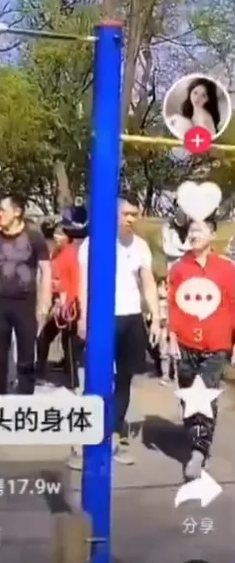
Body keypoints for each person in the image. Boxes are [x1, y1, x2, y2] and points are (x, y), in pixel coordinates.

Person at [71, 190, 161, 469]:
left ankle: (117, 435)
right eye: (126, 214)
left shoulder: (140, 246)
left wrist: (156, 317)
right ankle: (84, 441)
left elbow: (148, 282)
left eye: (135, 214)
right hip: (102, 319)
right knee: (95, 379)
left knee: (124, 380)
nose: (131, 219)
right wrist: (84, 318)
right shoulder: (93, 244)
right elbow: (84, 284)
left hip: (131, 318)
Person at [168, 217, 235, 481]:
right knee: (188, 396)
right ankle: (195, 436)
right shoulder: (179, 268)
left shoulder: (226, 269)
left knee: (205, 394)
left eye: (200, 230)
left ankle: (198, 452)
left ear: (213, 234)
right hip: (186, 342)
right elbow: (172, 305)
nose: (194, 234)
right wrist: (170, 336)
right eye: (192, 230)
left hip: (217, 343)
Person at [0, 194, 52, 395]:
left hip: (26, 303)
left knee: (26, 358)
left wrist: (44, 303)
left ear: (17, 212)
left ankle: (25, 400)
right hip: (0, 303)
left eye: (3, 210)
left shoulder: (34, 237)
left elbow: (45, 270)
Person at [36, 221, 81, 389]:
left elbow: (75, 282)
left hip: (69, 304)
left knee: (68, 343)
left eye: (61, 234)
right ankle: (40, 372)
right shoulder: (55, 253)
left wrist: (68, 303)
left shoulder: (72, 254)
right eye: (56, 233)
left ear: (68, 237)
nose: (57, 237)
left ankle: (73, 382)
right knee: (44, 337)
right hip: (56, 303)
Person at [156, 275, 179, 386]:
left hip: (173, 329)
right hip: (163, 329)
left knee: (174, 354)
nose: (162, 289)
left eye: (165, 286)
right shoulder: (157, 302)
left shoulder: (175, 300)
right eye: (160, 286)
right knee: (164, 353)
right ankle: (165, 375)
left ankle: (177, 376)